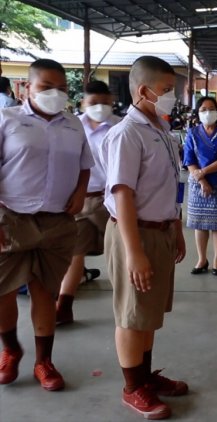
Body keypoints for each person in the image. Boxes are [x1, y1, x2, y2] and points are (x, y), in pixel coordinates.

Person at [100, 55, 187, 420]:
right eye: (167, 91)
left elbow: (172, 186)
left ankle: (145, 376)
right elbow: (123, 196)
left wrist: (177, 228)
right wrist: (134, 253)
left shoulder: (161, 131)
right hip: (133, 234)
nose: (172, 97)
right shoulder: (127, 134)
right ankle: (133, 387)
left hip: (161, 231)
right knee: (132, 315)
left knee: (148, 313)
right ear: (143, 91)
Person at [0, 59, 93, 391]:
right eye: (46, 87)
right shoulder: (7, 119)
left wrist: (81, 192)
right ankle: (10, 350)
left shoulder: (74, 124)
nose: (55, 93)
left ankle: (44, 362)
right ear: (28, 87)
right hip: (10, 218)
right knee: (3, 291)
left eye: (62, 88)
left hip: (57, 220)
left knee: (44, 291)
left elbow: (85, 165)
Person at [56, 80, 121, 325]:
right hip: (81, 201)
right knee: (75, 253)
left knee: (119, 251)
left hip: (112, 201)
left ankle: (128, 299)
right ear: (83, 102)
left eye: (105, 103)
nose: (99, 108)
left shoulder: (119, 127)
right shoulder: (72, 127)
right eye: (93, 103)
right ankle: (64, 305)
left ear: (112, 102)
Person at [183, 96, 217, 276]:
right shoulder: (192, 133)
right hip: (198, 184)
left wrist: (203, 173)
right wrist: (201, 180)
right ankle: (201, 259)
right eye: (203, 109)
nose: (207, 112)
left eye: (211, 108)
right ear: (198, 113)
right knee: (200, 224)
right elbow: (189, 159)